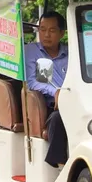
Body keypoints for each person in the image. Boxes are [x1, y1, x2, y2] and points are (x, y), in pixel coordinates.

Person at [25, 11, 70, 168]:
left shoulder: (70, 53)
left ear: (62, 33)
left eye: (51, 30)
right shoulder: (33, 52)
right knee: (58, 119)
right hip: (49, 106)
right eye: (42, 30)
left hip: (75, 102)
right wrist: (56, 92)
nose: (46, 35)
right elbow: (34, 82)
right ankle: (61, 167)